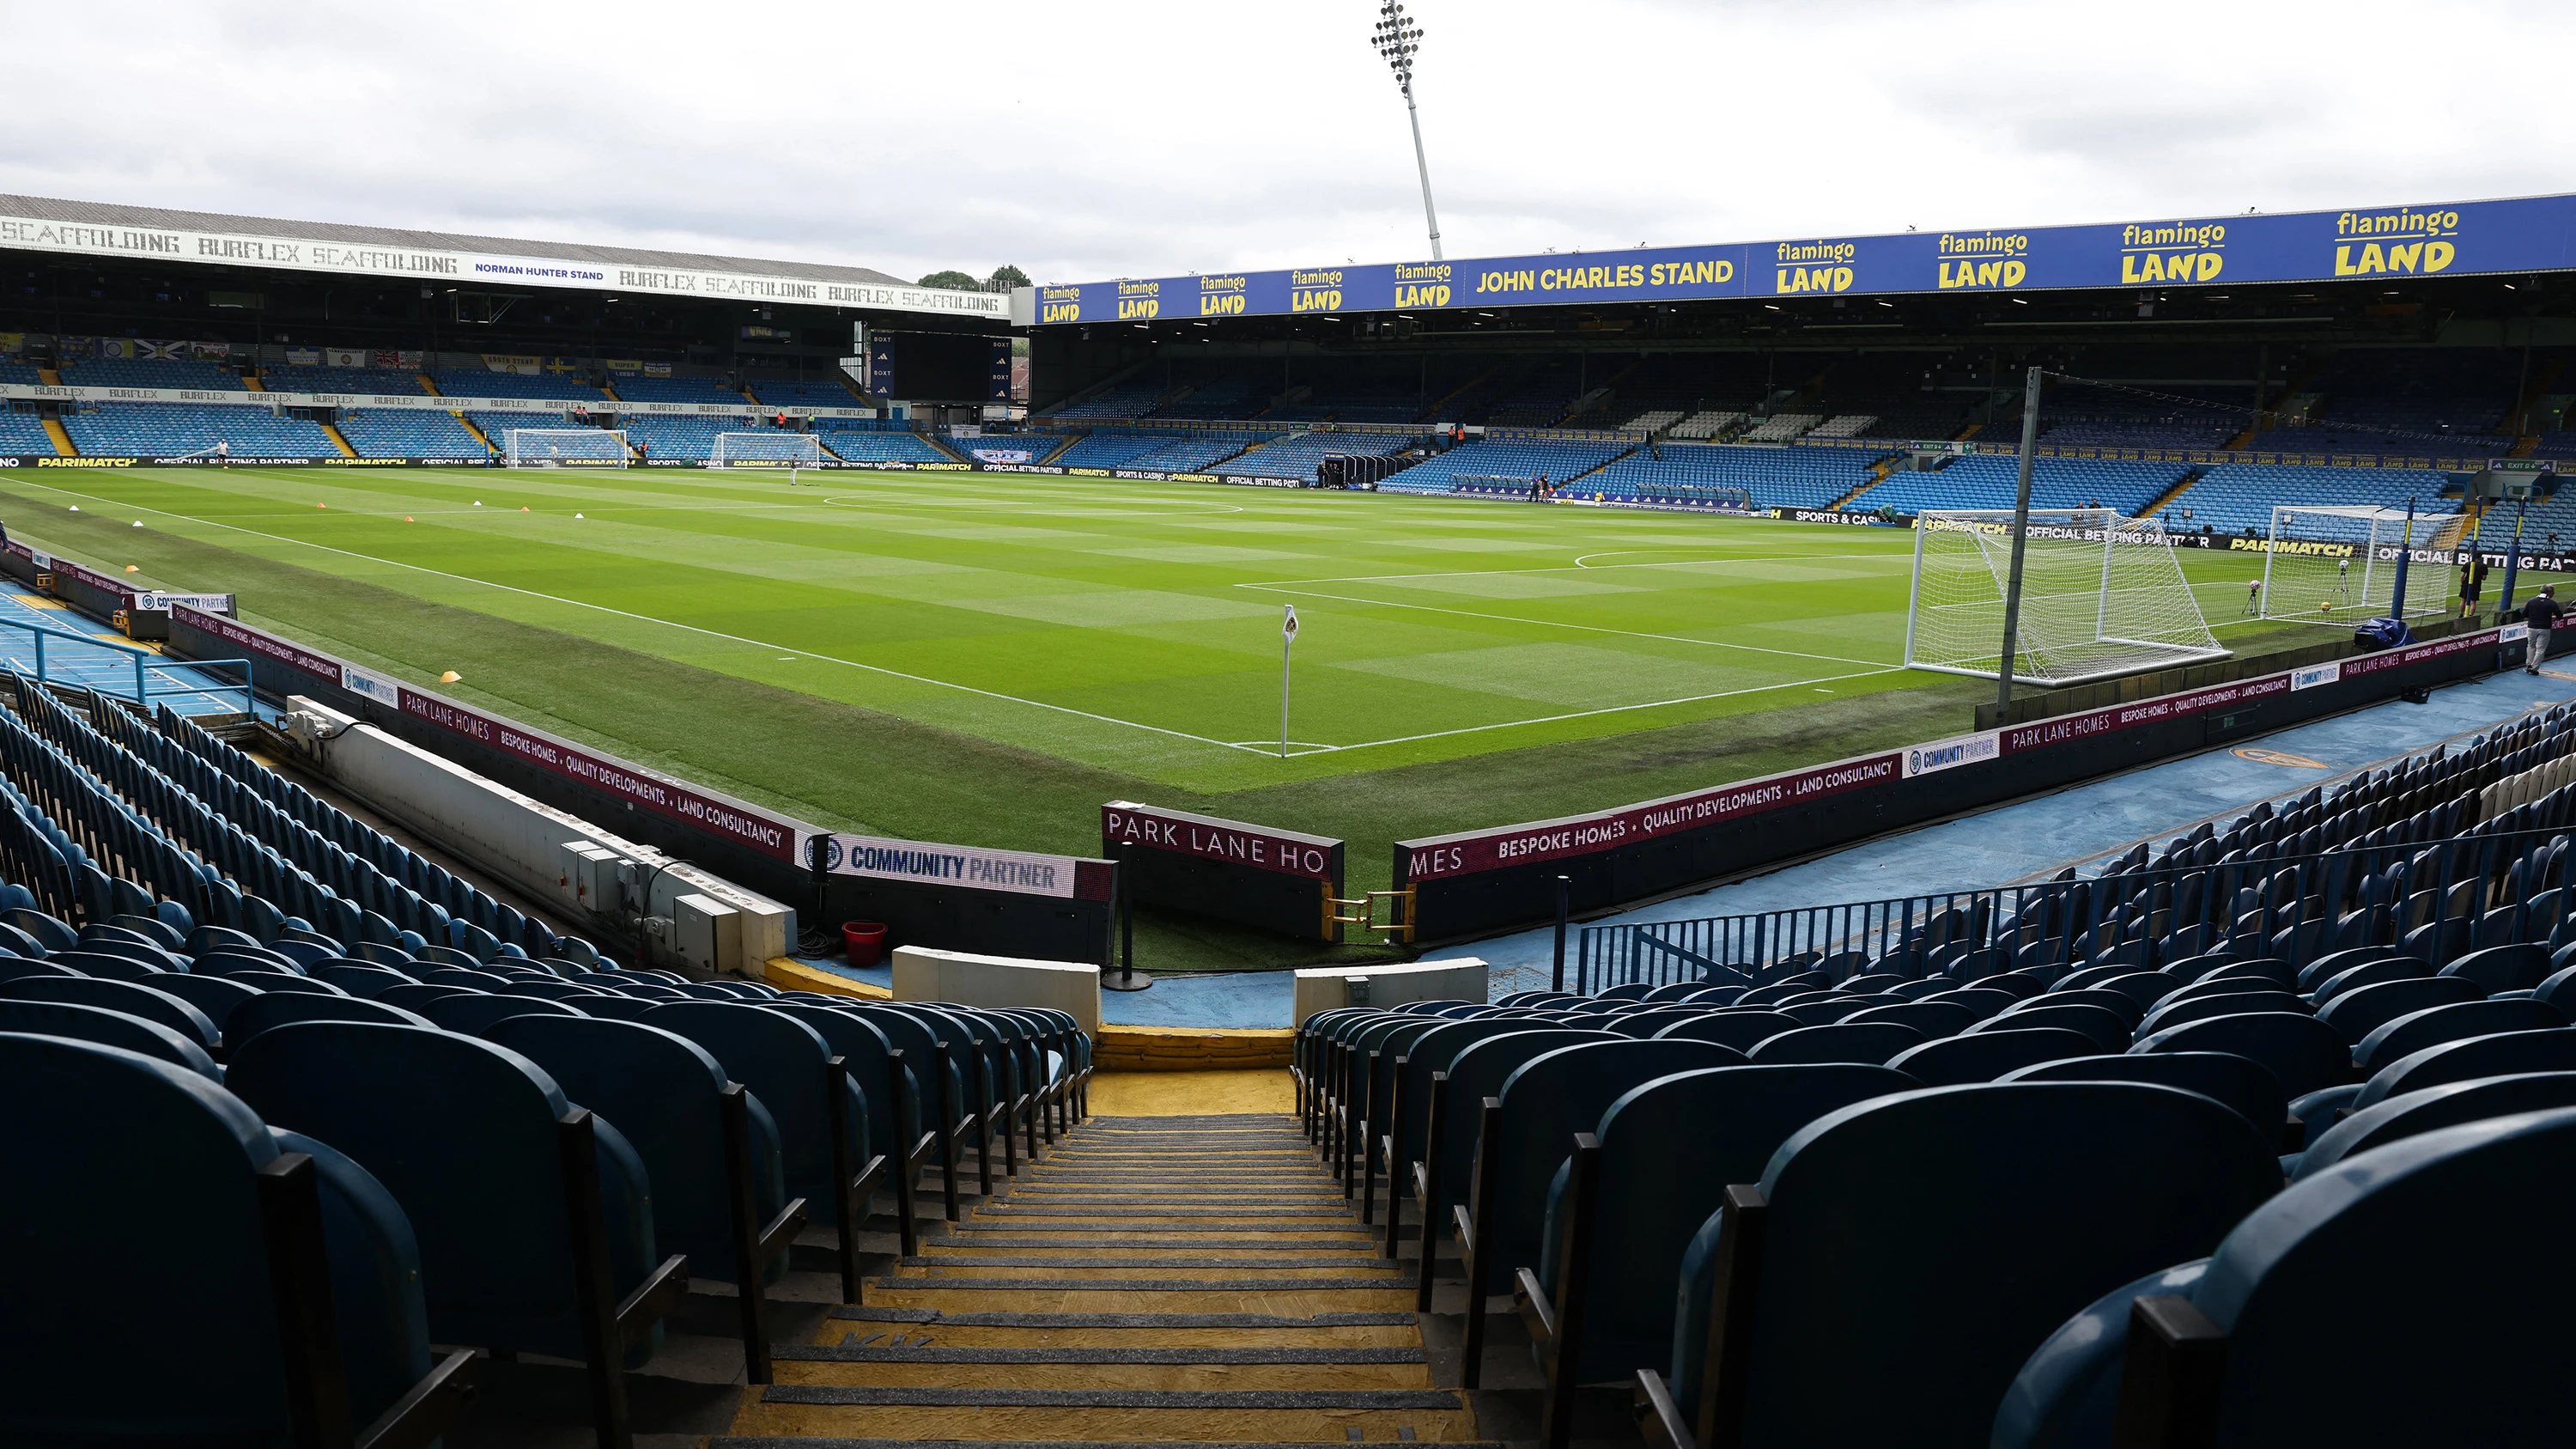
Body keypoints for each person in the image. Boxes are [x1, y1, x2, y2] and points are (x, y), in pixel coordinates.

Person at [2525, 585, 2563, 674]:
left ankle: (2529, 664)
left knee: (2531, 646)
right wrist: (2552, 617)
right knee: (2540, 649)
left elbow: (2524, 614)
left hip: (2532, 627)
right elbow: (2560, 615)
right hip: (2544, 628)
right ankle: (2534, 668)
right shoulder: (2551, 603)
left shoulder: (2531, 601)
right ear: (2549, 593)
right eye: (2552, 592)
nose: (2553, 594)